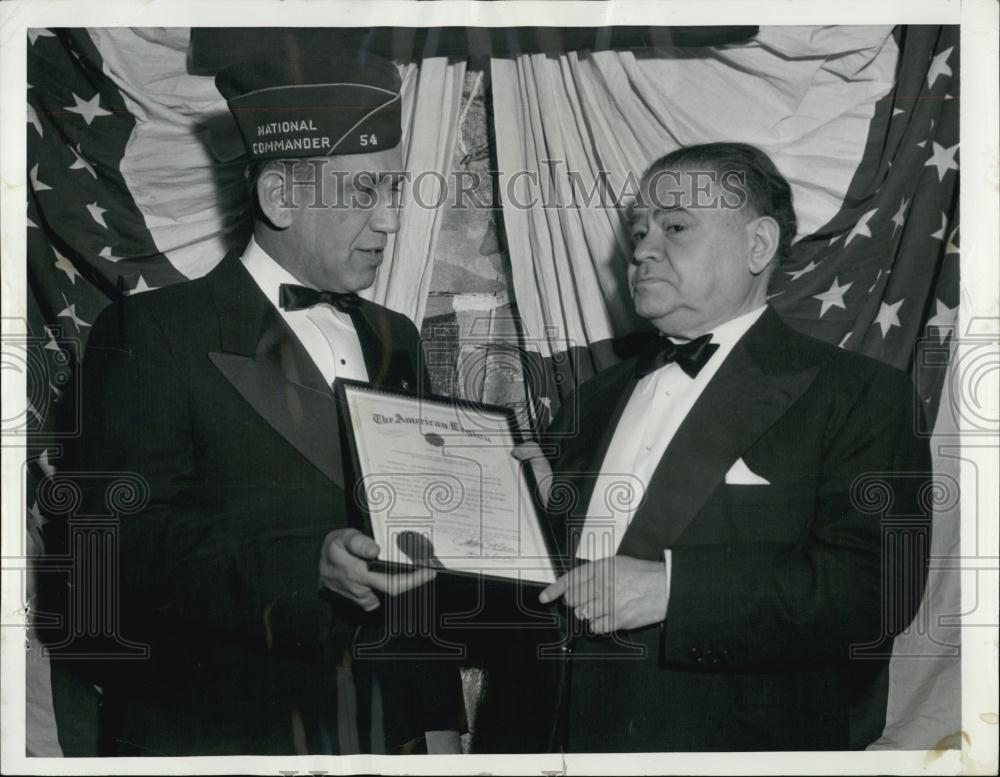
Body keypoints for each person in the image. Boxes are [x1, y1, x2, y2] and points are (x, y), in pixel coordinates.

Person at [48, 52, 463, 756]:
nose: (390, 219)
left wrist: (438, 719)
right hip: (217, 733)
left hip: (385, 737)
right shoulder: (154, 333)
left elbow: (416, 555)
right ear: (280, 197)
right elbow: (106, 550)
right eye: (366, 190)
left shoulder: (397, 339)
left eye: (396, 190)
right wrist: (303, 567)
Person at [515, 142, 932, 752]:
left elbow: (877, 590)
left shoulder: (862, 394)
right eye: (639, 232)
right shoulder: (593, 396)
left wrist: (674, 590)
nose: (643, 251)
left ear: (758, 246)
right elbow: (551, 582)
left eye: (676, 226)